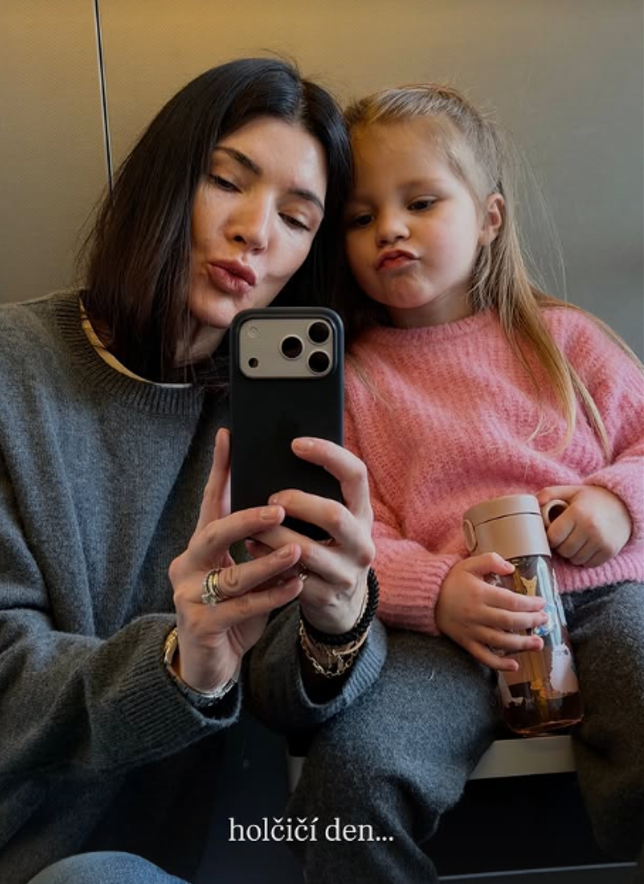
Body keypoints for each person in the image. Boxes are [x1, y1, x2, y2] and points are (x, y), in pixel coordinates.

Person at [0, 58, 386, 884]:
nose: (257, 231)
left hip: (216, 851)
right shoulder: (12, 372)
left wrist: (338, 620)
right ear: (162, 181)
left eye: (297, 217)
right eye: (226, 181)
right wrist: (178, 661)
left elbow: (284, 690)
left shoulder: (284, 411)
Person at [284, 83, 644, 882]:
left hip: (605, 598)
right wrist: (436, 590)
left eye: (420, 202)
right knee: (352, 775)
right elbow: (344, 532)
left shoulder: (564, 340)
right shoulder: (349, 381)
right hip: (444, 638)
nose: (390, 229)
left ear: (489, 218)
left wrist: (617, 501)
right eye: (360, 218)